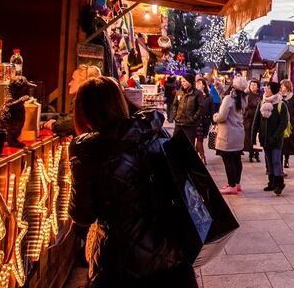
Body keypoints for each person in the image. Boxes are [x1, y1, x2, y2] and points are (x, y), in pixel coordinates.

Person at [69, 76, 198, 288]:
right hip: (169, 251)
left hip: (120, 259)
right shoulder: (155, 132)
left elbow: (82, 215)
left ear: (84, 111)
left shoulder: (88, 152)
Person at [251, 81, 289, 195]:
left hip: (276, 139)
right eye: (265, 87)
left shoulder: (281, 104)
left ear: (274, 89)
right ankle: (271, 182)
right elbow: (256, 121)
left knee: (276, 160)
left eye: (268, 88)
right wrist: (253, 137)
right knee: (268, 161)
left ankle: (279, 183)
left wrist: (275, 136)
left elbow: (283, 123)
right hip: (264, 138)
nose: (266, 89)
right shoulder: (261, 102)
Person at [43, 64, 102, 136]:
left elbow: (72, 124)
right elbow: (70, 117)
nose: (69, 83)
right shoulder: (92, 100)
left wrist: (53, 125)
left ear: (84, 82)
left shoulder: (86, 102)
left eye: (73, 79)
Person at [213, 77, 248, 195]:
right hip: (238, 133)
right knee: (237, 159)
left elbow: (222, 117)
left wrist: (215, 116)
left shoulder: (229, 98)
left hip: (228, 134)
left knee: (228, 160)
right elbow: (226, 97)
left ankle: (231, 185)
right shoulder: (243, 98)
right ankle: (236, 184)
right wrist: (219, 87)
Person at [172, 73, 205, 149]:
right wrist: (175, 115)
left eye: (185, 81)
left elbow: (201, 108)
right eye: (182, 81)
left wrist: (193, 118)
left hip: (190, 125)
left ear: (190, 82)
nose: (183, 83)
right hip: (178, 123)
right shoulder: (179, 92)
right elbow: (175, 104)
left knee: (188, 147)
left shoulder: (197, 93)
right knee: (175, 145)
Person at [280, 79, 294, 168]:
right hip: (280, 122)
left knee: (288, 142)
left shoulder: (293, 96)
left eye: (283, 85)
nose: (281, 87)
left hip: (289, 122)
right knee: (281, 142)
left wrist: (290, 111)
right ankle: (279, 161)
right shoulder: (278, 96)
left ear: (287, 86)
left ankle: (286, 160)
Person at [194, 78, 212, 163]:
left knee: (200, 139)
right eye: (196, 83)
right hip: (196, 120)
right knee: (199, 139)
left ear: (204, 85)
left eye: (200, 83)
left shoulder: (209, 97)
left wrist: (214, 122)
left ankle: (195, 156)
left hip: (205, 120)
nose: (198, 85)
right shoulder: (194, 95)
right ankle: (202, 156)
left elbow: (212, 110)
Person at [243, 80, 262, 163]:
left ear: (258, 87)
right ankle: (251, 154)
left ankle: (257, 154)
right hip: (249, 120)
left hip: (258, 119)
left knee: (257, 137)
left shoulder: (261, 96)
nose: (252, 86)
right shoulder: (247, 95)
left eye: (254, 85)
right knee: (249, 137)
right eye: (251, 85)